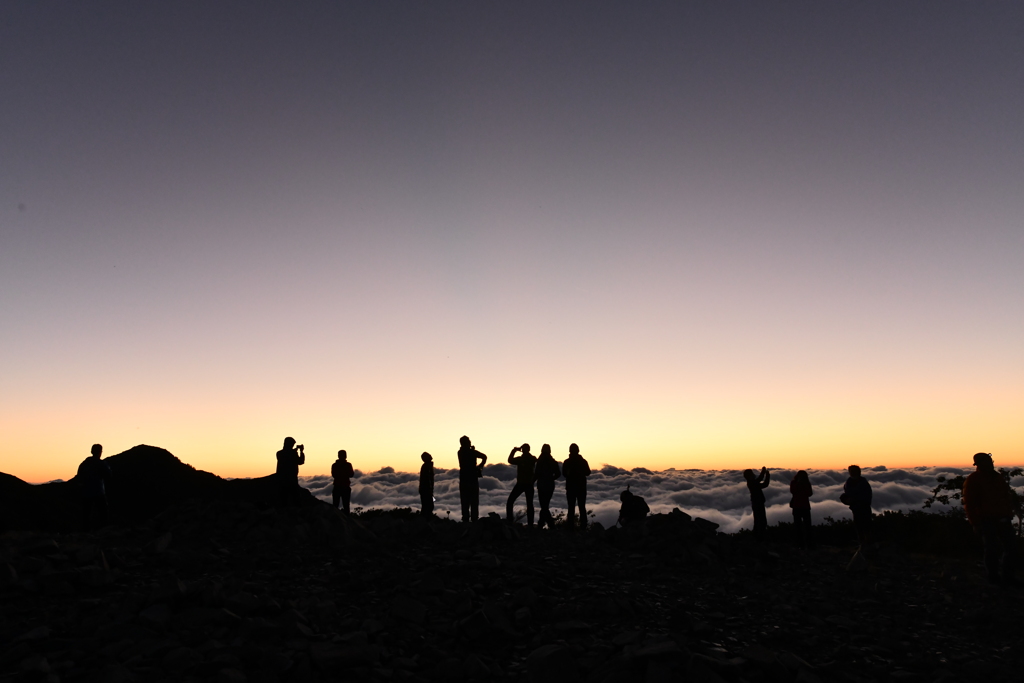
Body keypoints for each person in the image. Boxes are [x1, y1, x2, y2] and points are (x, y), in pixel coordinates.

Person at [962, 452, 1017, 585]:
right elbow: (969, 503)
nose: (991, 463)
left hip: (1003, 518)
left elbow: (1005, 496)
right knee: (992, 550)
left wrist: (1009, 513)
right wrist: (975, 523)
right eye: (988, 461)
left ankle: (1007, 577)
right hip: (986, 520)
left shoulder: (997, 477)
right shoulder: (974, 479)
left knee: (1010, 548)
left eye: (991, 461)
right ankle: (994, 578)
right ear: (980, 464)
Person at [77, 444, 112, 530]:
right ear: (100, 452)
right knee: (103, 512)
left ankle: (85, 531)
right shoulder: (102, 464)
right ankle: (104, 530)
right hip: (98, 491)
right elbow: (109, 475)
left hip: (86, 492)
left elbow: (79, 477)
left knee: (86, 513)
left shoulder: (84, 464)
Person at [457, 436, 487, 523]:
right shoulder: (472, 452)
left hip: (463, 478)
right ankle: (474, 519)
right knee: (474, 500)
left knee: (464, 500)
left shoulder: (460, 452)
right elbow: (484, 456)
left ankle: (465, 518)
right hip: (472, 478)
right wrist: (480, 466)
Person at [506, 444, 538, 526]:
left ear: (522, 450)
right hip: (529, 484)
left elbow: (510, 460)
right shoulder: (532, 459)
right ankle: (530, 524)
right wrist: (533, 480)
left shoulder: (521, 459)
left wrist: (514, 450)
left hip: (521, 484)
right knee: (530, 504)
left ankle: (510, 521)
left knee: (510, 501)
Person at [840, 465, 872, 547]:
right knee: (859, 528)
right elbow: (847, 495)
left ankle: (867, 546)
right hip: (856, 509)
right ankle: (862, 545)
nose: (851, 473)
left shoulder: (862, 483)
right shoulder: (849, 483)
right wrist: (845, 499)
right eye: (850, 471)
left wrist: (852, 500)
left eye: (853, 471)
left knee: (866, 528)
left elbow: (866, 496)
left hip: (864, 508)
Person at [562, 443, 591, 530]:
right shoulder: (583, 461)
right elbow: (588, 472)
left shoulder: (567, 462)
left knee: (571, 508)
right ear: (578, 451)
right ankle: (583, 527)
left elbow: (564, 474)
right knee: (582, 507)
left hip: (571, 488)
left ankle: (570, 527)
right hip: (581, 487)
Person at [534, 444, 561, 529]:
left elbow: (536, 473)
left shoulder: (540, 461)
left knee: (544, 506)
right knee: (545, 506)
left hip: (542, 485)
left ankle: (548, 525)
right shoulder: (552, 461)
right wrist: (551, 478)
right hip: (549, 485)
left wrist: (531, 482)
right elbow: (558, 474)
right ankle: (542, 524)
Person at [276, 437, 305, 506]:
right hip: (291, 478)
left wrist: (294, 450)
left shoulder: (279, 453)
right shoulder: (293, 454)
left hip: (281, 478)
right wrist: (301, 451)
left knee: (283, 497)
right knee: (295, 496)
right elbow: (300, 461)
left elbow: (286, 454)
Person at [743, 467, 771, 540]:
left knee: (758, 520)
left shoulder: (751, 482)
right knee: (761, 521)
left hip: (756, 503)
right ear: (749, 476)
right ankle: (760, 537)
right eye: (752, 473)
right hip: (758, 503)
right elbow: (765, 484)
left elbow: (759, 479)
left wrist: (763, 472)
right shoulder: (752, 483)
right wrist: (767, 475)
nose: (753, 474)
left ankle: (757, 536)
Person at [789, 470, 813, 547]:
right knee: (806, 526)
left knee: (799, 526)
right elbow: (809, 493)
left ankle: (802, 544)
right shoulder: (803, 483)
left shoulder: (794, 483)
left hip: (798, 507)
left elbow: (793, 491)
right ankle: (806, 544)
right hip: (804, 507)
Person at [419, 452, 435, 517]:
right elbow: (427, 479)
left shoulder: (427, 466)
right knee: (428, 505)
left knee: (427, 505)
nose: (431, 455)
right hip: (426, 489)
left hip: (425, 489)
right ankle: (426, 519)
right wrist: (430, 489)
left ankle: (425, 518)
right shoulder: (427, 466)